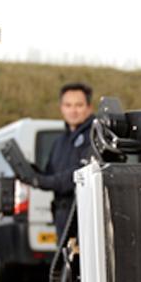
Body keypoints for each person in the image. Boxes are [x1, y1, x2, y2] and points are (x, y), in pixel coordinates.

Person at [27, 82, 95, 237]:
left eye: (79, 105)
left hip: (84, 217)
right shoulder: (59, 142)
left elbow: (77, 175)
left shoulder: (94, 137)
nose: (73, 110)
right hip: (61, 218)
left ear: (89, 108)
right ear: (61, 108)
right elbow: (50, 174)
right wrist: (30, 173)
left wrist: (40, 181)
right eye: (68, 105)